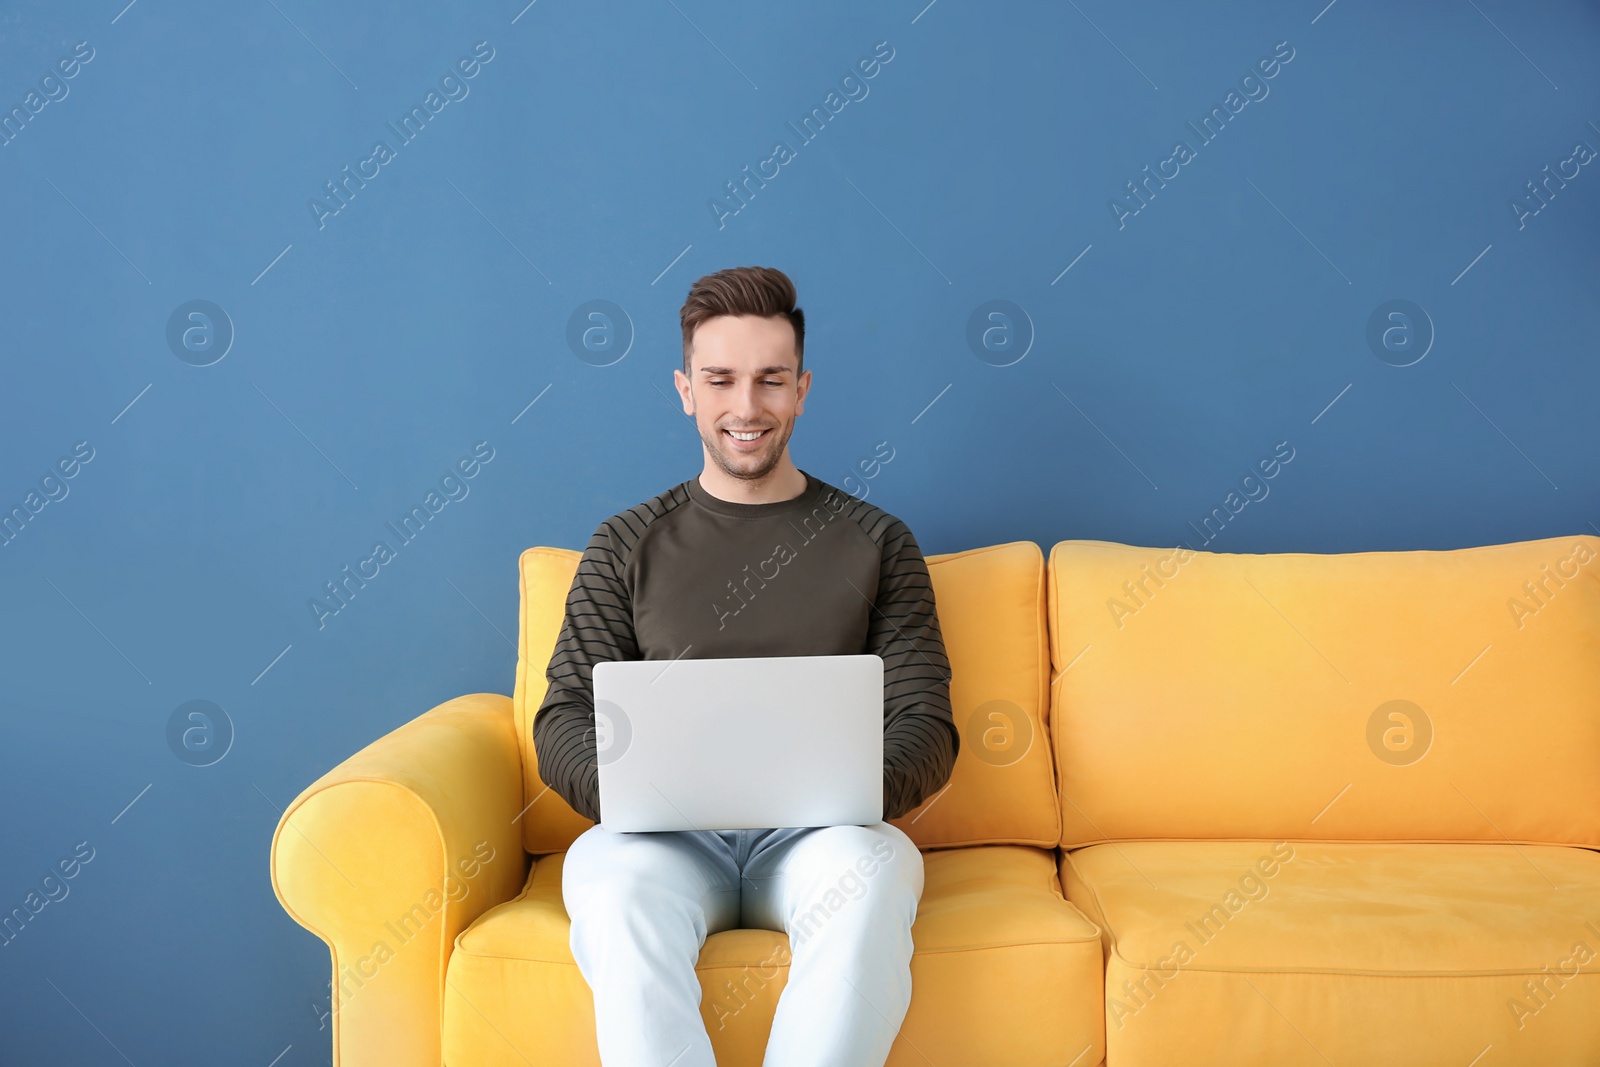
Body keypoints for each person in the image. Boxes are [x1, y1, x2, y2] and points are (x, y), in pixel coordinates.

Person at [534, 264, 959, 1067]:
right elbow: (562, 716)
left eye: (770, 380)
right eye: (720, 378)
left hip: (820, 839)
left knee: (874, 871)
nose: (746, 406)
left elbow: (925, 722)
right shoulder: (625, 542)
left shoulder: (878, 540)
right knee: (611, 884)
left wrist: (847, 793)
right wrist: (631, 797)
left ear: (801, 389)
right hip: (662, 844)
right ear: (684, 389)